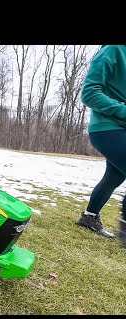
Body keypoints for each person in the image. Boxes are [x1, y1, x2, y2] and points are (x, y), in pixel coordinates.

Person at [77, 45, 126, 247]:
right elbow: (88, 93)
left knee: (114, 176)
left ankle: (89, 217)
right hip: (106, 128)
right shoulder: (114, 49)